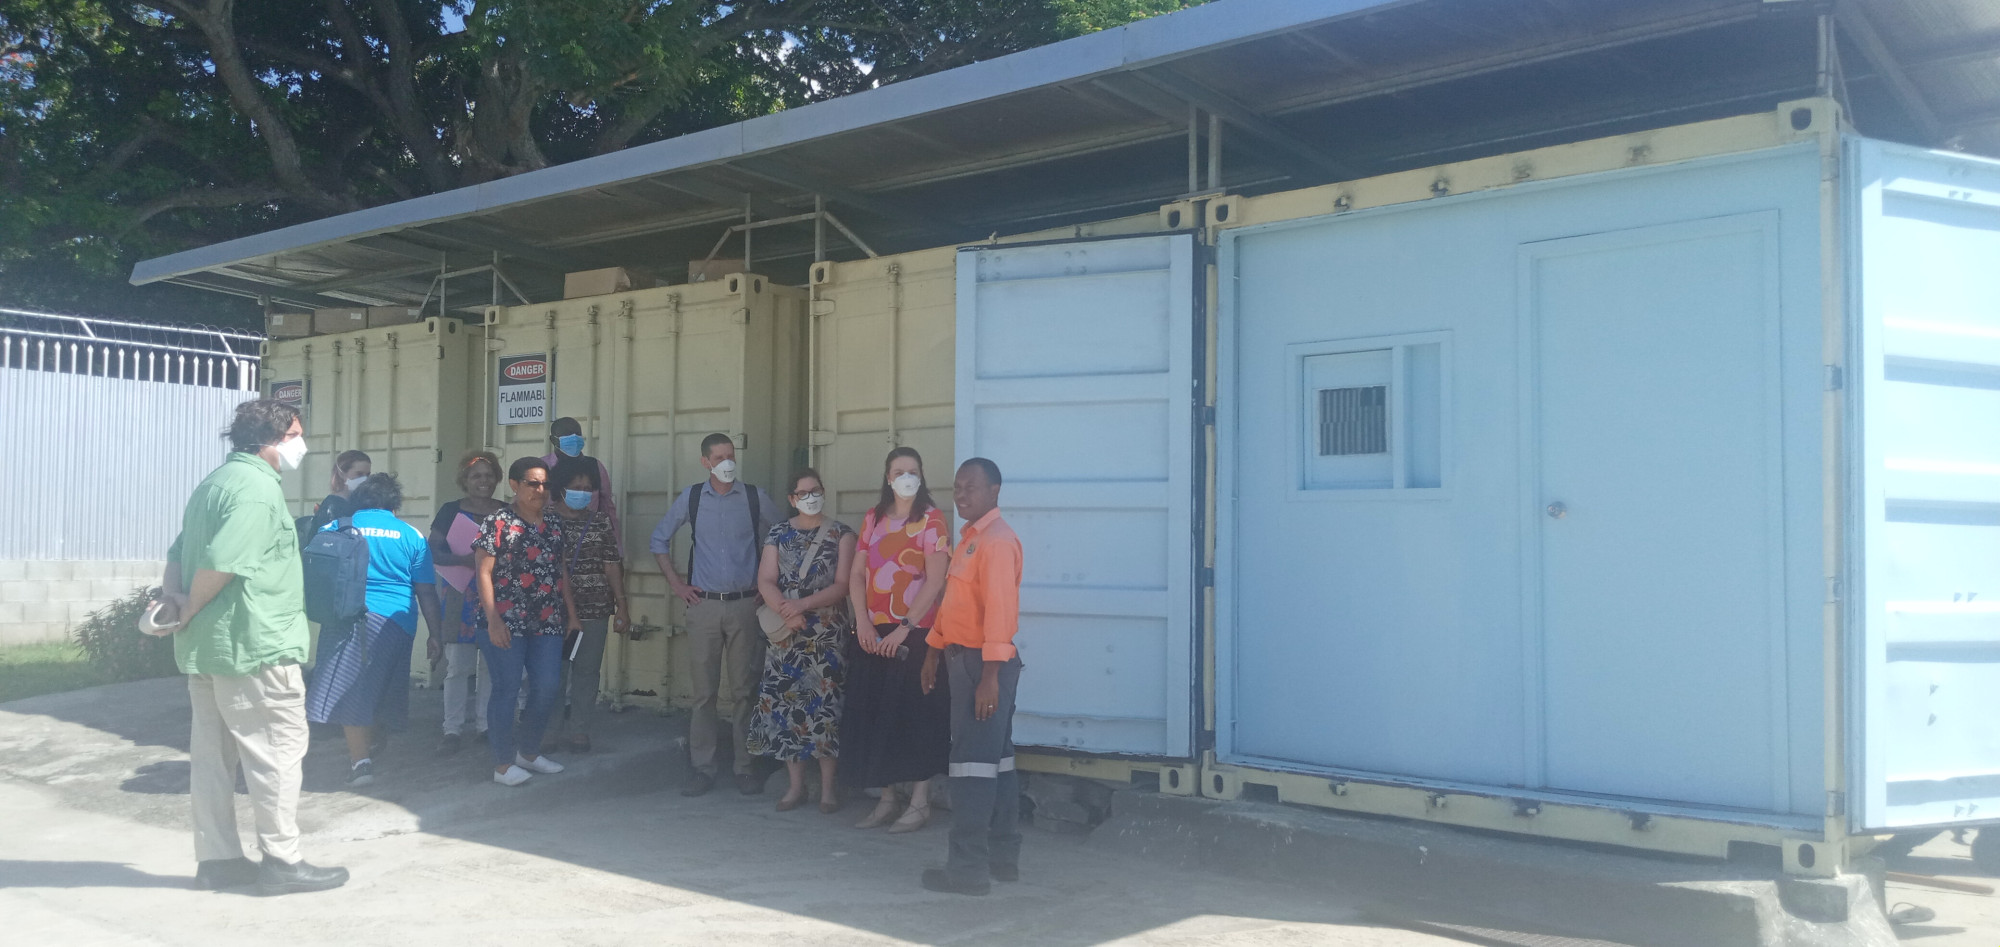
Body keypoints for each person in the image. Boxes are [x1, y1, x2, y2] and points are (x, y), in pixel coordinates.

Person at [158, 398, 348, 895]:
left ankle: (218, 860)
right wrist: (191, 606)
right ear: (274, 438)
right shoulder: (258, 491)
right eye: (297, 434)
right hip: (253, 646)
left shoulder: (214, 484)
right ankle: (282, 861)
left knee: (213, 759)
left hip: (207, 649)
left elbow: (177, 553)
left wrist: (176, 603)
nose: (302, 444)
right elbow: (222, 563)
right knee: (277, 754)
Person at [650, 432, 786, 797]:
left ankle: (745, 766)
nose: (727, 463)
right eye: (719, 457)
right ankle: (703, 768)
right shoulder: (692, 498)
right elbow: (658, 539)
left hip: (746, 605)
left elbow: (785, 537)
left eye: (731, 455)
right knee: (704, 693)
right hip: (704, 606)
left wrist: (769, 585)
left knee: (745, 690)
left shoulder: (755, 498)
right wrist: (678, 585)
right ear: (705, 462)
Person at [919, 457, 1023, 897]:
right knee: (997, 763)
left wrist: (989, 678)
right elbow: (953, 605)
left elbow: (1000, 615)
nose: (962, 495)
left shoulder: (996, 542)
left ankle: (967, 872)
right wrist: (931, 650)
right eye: (957, 487)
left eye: (972, 488)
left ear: (995, 490)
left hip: (983, 666)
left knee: (972, 771)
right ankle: (1002, 861)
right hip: (963, 659)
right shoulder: (969, 540)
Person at [304, 473, 442, 787]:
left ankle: (360, 760)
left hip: (343, 619)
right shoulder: (411, 535)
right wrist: (435, 634)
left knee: (352, 688)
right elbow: (426, 591)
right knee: (381, 688)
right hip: (396, 622)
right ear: (394, 504)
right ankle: (366, 749)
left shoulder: (335, 527)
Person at [845, 447, 953, 833]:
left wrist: (905, 626)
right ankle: (887, 799)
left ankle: (920, 802)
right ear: (887, 477)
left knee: (915, 716)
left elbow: (936, 579)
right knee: (877, 714)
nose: (906, 476)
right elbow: (857, 574)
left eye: (913, 470)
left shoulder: (932, 520)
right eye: (898, 470)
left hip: (916, 633)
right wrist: (862, 622)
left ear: (922, 476)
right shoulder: (873, 518)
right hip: (874, 631)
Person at [747, 468, 857, 813]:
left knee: (825, 709)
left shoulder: (842, 534)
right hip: (786, 634)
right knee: (787, 709)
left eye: (816, 490)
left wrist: (802, 605)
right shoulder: (778, 533)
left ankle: (827, 790)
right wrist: (785, 609)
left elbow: (842, 586)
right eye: (803, 493)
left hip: (825, 634)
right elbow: (765, 579)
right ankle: (795, 788)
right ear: (792, 499)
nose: (811, 497)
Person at [473, 457, 579, 787]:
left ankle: (529, 753)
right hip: (506, 618)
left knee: (547, 686)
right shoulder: (498, 522)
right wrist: (493, 620)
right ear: (515, 486)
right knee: (506, 688)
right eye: (533, 483)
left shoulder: (555, 523)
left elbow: (560, 569)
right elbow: (483, 572)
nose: (541, 490)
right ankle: (503, 764)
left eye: (545, 484)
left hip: (547, 618)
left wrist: (572, 615)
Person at [548, 455, 629, 753]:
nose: (582, 492)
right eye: (575, 486)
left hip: (595, 608)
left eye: (587, 487)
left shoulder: (600, 522)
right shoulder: (545, 520)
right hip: (552, 612)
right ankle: (549, 730)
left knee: (586, 672)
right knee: (553, 674)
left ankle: (579, 731)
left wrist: (622, 605)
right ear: (560, 488)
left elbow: (611, 564)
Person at [428, 450, 504, 754]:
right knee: (457, 666)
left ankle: (485, 725)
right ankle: (452, 729)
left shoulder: (506, 512)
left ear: (497, 478)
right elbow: (432, 551)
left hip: (497, 598)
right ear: (465, 480)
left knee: (490, 665)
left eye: (488, 475)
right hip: (459, 595)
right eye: (476, 476)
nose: (483, 481)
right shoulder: (450, 511)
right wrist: (463, 559)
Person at [541, 416, 620, 543]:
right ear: (553, 440)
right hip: (551, 540)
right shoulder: (541, 468)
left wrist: (617, 549)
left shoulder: (595, 466)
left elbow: (608, 508)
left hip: (590, 541)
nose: (573, 439)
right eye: (567, 436)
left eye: (577, 435)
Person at [308, 450, 372, 534]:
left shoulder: (360, 503)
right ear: (341, 474)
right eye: (359, 474)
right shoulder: (332, 506)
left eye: (367, 475)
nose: (365, 479)